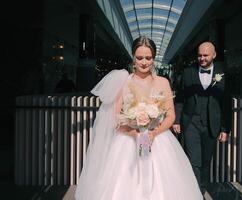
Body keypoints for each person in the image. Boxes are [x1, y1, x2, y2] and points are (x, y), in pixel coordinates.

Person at [75, 36, 202, 200]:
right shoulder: (124, 82)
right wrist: (134, 132)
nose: (144, 62)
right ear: (133, 58)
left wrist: (153, 133)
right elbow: (116, 116)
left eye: (148, 58)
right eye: (139, 58)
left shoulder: (163, 82)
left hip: (158, 139)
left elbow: (171, 115)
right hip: (128, 141)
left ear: (154, 59)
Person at [172, 41, 231, 195]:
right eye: (199, 55)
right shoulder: (187, 72)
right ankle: (195, 193)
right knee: (194, 160)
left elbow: (225, 103)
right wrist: (177, 120)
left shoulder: (223, 72)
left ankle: (202, 190)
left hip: (212, 124)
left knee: (205, 161)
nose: (202, 58)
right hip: (191, 122)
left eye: (205, 55)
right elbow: (180, 99)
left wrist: (225, 129)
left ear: (214, 55)